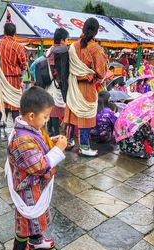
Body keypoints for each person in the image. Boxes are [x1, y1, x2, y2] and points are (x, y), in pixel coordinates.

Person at [6, 86, 66, 250]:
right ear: (31, 115)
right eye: (45, 117)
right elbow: (38, 165)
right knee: (26, 220)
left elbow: (39, 144)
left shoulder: (31, 129)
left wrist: (52, 140)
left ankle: (36, 239)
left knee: (37, 216)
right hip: (27, 188)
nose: (47, 120)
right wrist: (58, 150)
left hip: (35, 187)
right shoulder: (22, 140)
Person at [64, 18, 107, 156]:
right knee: (85, 115)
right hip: (87, 88)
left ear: (83, 28)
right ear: (96, 31)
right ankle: (83, 146)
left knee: (72, 113)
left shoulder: (72, 46)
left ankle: (68, 141)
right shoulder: (96, 49)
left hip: (73, 85)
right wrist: (91, 74)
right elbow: (101, 73)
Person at [0, 23, 27, 135]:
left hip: (0, 79)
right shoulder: (18, 46)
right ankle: (16, 130)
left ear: (4, 32)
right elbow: (24, 65)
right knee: (15, 105)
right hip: (14, 80)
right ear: (15, 33)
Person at [46, 28, 69, 136]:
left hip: (49, 83)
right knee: (56, 109)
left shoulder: (50, 49)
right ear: (62, 40)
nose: (67, 42)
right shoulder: (61, 51)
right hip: (57, 83)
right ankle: (56, 133)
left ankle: (50, 130)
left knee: (52, 107)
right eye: (67, 40)